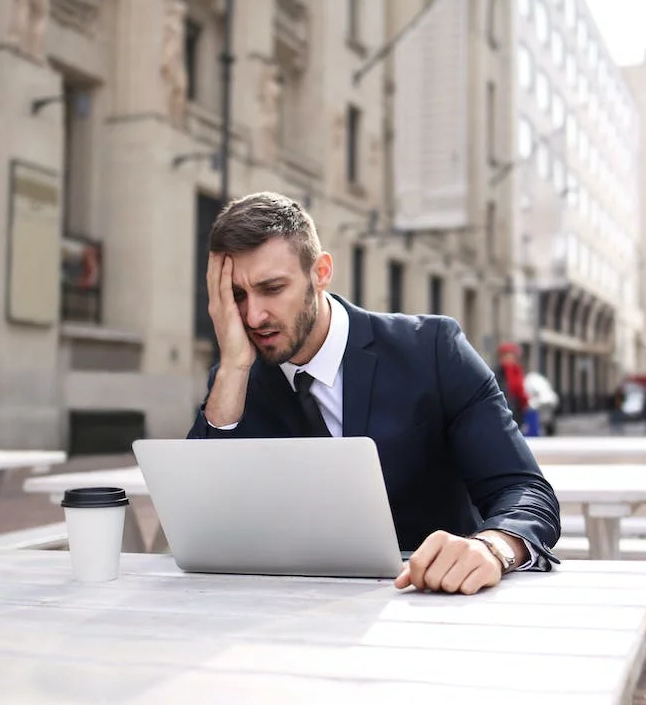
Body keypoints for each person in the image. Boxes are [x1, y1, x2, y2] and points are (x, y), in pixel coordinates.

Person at [187, 192, 561, 595]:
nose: (253, 316)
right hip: (285, 616)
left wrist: (492, 547)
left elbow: (525, 491)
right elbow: (199, 519)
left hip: (430, 606)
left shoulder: (433, 350)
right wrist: (232, 368)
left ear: (321, 272)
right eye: (237, 296)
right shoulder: (236, 380)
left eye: (272, 288)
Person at [493, 342, 529, 430]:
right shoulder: (498, 372)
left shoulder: (517, 371)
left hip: (517, 410)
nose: (509, 359)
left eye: (512, 356)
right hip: (504, 409)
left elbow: (520, 390)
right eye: (506, 356)